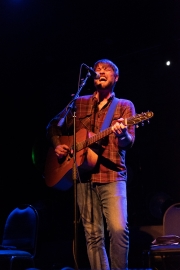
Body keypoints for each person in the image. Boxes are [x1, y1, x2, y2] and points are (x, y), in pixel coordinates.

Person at [46, 59, 136, 270]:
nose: (101, 72)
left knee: (118, 229)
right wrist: (59, 145)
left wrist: (122, 133)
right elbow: (53, 126)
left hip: (112, 175)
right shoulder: (79, 103)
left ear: (116, 78)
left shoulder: (124, 106)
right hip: (82, 176)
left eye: (107, 70)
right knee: (93, 235)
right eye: (97, 69)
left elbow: (128, 143)